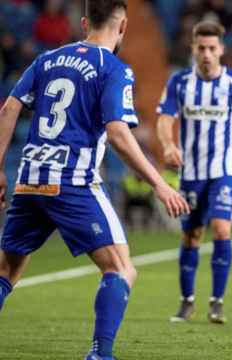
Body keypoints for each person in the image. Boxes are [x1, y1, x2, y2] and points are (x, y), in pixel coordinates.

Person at [0, 1, 190, 359]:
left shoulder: (46, 59)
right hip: (72, 181)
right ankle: (101, 354)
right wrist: (159, 184)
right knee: (121, 269)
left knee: (6, 270)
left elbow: (9, 109)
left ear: (85, 22)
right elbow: (118, 133)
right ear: (123, 28)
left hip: (30, 178)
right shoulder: (114, 69)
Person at [156, 20, 232, 324]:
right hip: (192, 171)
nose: (207, 54)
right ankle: (187, 302)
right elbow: (164, 118)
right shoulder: (179, 82)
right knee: (191, 235)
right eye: (201, 48)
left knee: (222, 229)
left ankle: (217, 302)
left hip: (225, 168)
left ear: (221, 49)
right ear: (193, 49)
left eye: (212, 48)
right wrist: (168, 145)